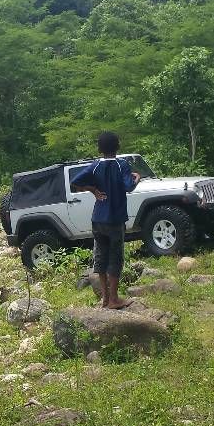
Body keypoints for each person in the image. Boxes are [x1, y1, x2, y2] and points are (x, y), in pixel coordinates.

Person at [69, 131, 143, 310]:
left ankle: (105, 299)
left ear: (100, 149)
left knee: (101, 257)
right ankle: (114, 300)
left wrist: (94, 190)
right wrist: (136, 178)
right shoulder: (122, 165)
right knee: (115, 258)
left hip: (98, 219)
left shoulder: (95, 166)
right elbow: (128, 187)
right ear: (117, 147)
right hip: (115, 220)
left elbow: (75, 182)